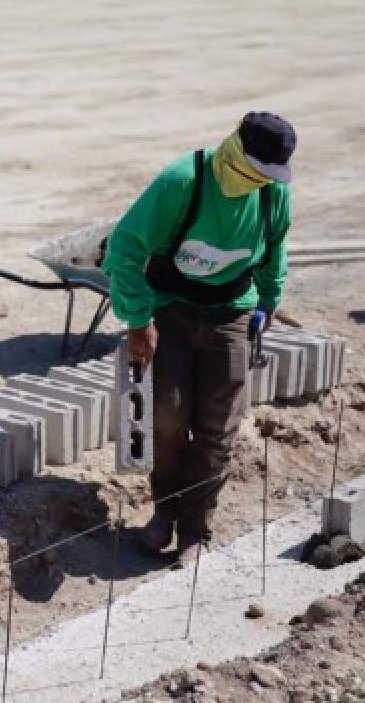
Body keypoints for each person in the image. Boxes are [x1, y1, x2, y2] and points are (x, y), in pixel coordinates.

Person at [102, 113, 295, 567]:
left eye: (270, 176)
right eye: (257, 172)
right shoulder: (183, 181)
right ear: (237, 154)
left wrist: (267, 301)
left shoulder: (273, 195)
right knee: (167, 418)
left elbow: (277, 248)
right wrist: (137, 318)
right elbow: (125, 246)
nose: (262, 183)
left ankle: (195, 528)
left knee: (217, 428)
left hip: (232, 312)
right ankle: (163, 515)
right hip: (171, 308)